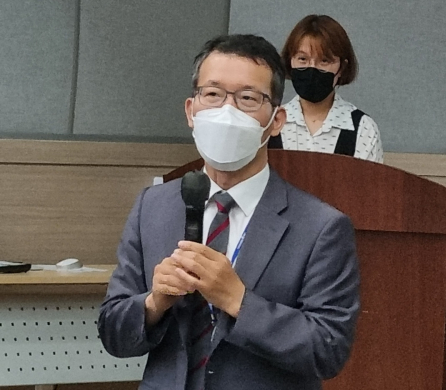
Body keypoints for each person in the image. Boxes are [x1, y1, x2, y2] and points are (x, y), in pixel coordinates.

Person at [98, 34, 360, 390]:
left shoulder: (321, 227)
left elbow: (328, 350)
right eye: (213, 94)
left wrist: (238, 301)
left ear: (277, 120)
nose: (227, 111)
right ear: (191, 111)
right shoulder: (153, 207)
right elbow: (112, 333)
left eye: (248, 98)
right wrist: (154, 303)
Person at [269, 14, 384, 163]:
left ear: (342, 68)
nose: (312, 68)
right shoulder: (270, 122)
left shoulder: (364, 129)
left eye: (324, 61)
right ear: (289, 61)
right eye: (302, 59)